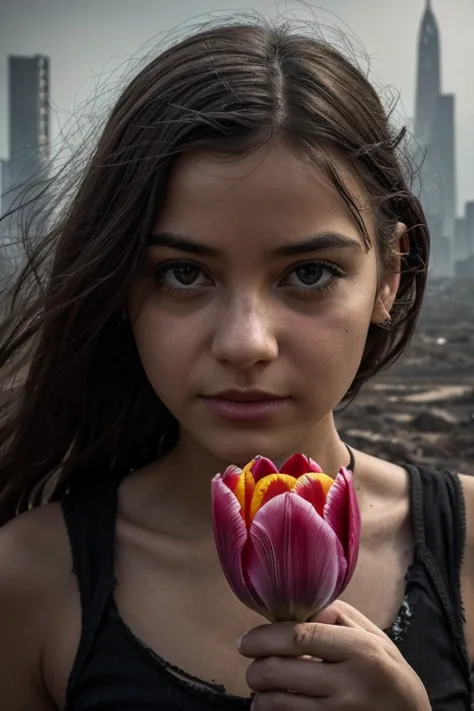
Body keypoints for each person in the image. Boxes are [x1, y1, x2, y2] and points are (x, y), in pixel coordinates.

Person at [0, 19, 472, 711]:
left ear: (389, 276)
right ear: (122, 286)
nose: (246, 342)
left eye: (308, 272)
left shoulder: (467, 548)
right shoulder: (29, 582)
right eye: (184, 273)